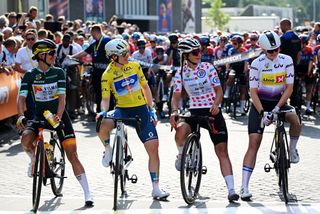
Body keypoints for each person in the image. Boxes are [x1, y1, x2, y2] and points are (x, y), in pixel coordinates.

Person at [16, 39, 94, 207]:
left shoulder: (58, 72)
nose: (54, 56)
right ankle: (33, 159)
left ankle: (88, 193)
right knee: (25, 139)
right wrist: (21, 116)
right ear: (41, 55)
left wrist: (58, 117)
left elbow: (62, 99)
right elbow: (21, 98)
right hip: (39, 116)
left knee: (72, 154)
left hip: (59, 116)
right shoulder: (30, 75)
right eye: (51, 53)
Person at [96, 38, 170, 200]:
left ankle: (156, 188)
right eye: (123, 54)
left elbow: (145, 88)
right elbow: (106, 98)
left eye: (127, 52)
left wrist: (151, 110)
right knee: (103, 124)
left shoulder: (135, 66)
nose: (127, 56)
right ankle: (108, 149)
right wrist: (103, 112)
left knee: (153, 149)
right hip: (122, 110)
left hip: (141, 110)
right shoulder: (107, 74)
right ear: (113, 57)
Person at [170, 37, 239, 202]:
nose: (199, 54)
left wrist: (216, 104)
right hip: (193, 111)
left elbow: (219, 90)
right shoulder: (180, 73)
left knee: (222, 150)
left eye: (199, 50)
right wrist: (174, 111)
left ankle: (231, 190)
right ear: (186, 55)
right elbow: (176, 95)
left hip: (211, 110)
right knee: (180, 131)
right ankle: (181, 155)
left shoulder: (208, 67)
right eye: (195, 52)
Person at [240, 31, 301, 201]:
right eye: (270, 51)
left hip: (279, 102)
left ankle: (292, 150)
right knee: (253, 144)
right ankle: (244, 186)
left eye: (277, 50)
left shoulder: (286, 60)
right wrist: (262, 112)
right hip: (260, 105)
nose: (274, 54)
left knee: (295, 119)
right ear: (263, 50)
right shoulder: (256, 64)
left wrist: (276, 108)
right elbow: (252, 91)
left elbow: (289, 87)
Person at [279, 18, 302, 110]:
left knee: (282, 89)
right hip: (293, 67)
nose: (280, 28)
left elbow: (278, 52)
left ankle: (283, 110)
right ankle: (294, 109)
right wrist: (297, 64)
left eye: (281, 25)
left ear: (286, 25)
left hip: (283, 67)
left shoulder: (283, 38)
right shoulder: (297, 37)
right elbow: (299, 54)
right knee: (294, 89)